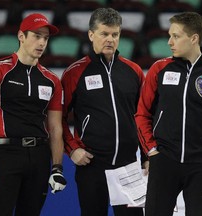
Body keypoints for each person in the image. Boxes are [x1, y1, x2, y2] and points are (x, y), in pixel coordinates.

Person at [135, 11, 202, 216]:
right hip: (164, 162)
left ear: (194, 38)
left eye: (176, 36)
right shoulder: (159, 69)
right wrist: (151, 150)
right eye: (170, 35)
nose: (169, 41)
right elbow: (142, 114)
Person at [0, 13, 67, 216]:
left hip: (40, 157)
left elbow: (55, 127)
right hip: (5, 156)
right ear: (21, 36)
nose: (42, 42)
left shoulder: (52, 80)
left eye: (46, 38)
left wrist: (57, 167)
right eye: (36, 36)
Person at [61, 8, 147, 216]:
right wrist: (72, 149)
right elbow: (57, 119)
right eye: (104, 33)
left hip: (129, 165)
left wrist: (146, 155)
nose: (110, 39)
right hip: (91, 165)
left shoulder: (133, 71)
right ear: (91, 35)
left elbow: (145, 116)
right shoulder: (75, 73)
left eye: (115, 34)